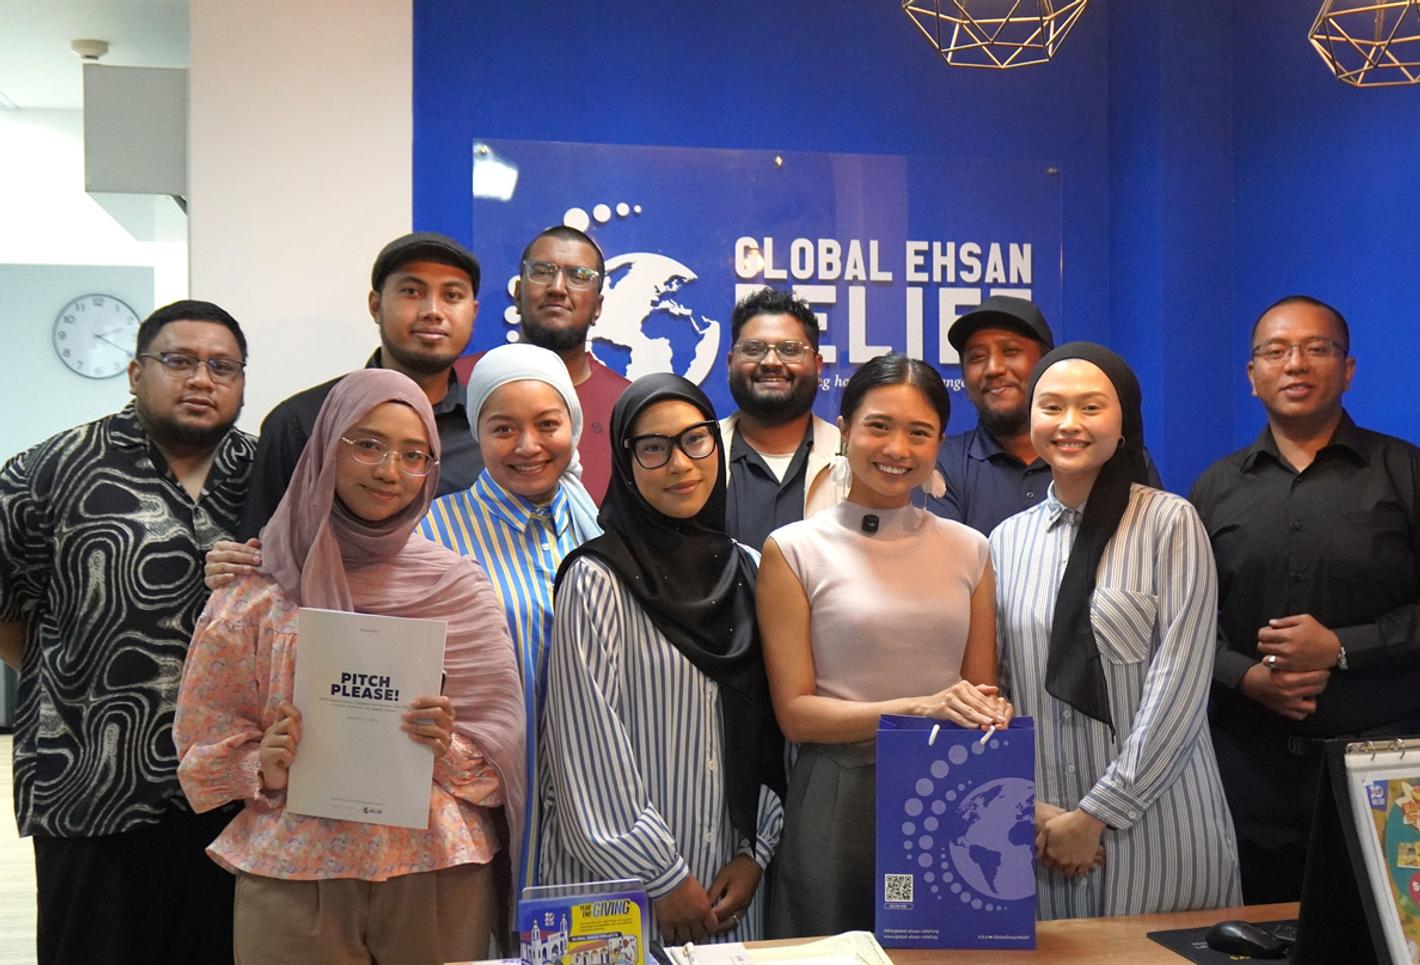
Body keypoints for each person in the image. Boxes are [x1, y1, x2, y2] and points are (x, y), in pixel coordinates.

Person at [174, 369, 525, 964]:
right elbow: (202, 749)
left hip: (435, 872)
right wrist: (266, 762)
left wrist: (443, 745)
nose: (390, 471)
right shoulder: (256, 587)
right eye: (367, 444)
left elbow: (501, 753)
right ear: (326, 447)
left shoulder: (457, 587)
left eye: (414, 455)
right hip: (293, 873)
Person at [0, 300, 254, 963]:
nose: (201, 378)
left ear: (242, 382)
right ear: (137, 372)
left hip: (231, 791)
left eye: (222, 366)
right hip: (87, 780)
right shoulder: (47, 472)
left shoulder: (265, 477)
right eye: (180, 360)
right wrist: (65, 675)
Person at [757, 353, 1010, 937]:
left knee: (940, 951)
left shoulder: (970, 549)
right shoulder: (793, 549)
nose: (897, 448)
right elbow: (796, 715)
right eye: (878, 426)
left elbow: (978, 692)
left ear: (939, 443)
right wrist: (918, 708)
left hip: (948, 791)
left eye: (919, 433)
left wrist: (990, 713)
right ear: (844, 429)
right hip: (837, 792)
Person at [991, 342, 1240, 920]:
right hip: (1043, 833)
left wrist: (1097, 813)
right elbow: (1001, 688)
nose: (1070, 424)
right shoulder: (1005, 541)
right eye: (1051, 407)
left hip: (1159, 824)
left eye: (1091, 407)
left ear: (1123, 419)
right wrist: (1033, 812)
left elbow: (1180, 683)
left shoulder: (1169, 524)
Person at [538, 374, 785, 943]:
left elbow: (774, 735)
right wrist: (663, 877)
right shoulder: (596, 579)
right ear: (625, 463)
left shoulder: (751, 570)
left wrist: (756, 854)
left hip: (728, 886)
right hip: (614, 891)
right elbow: (585, 748)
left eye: (695, 439)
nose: (680, 464)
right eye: (653, 447)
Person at [1191, 295, 1420, 903]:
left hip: (1386, 766)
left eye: (1317, 349)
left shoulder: (1406, 473)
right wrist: (1246, 678)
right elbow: (1180, 623)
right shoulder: (1212, 490)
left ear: (1347, 369)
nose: (1296, 364)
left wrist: (1343, 646)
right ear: (1252, 376)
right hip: (1245, 773)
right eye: (1277, 351)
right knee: (1257, 937)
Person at [419, 342, 602, 892]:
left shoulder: (601, 526)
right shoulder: (432, 532)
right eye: (503, 429)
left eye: (548, 424)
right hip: (481, 795)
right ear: (477, 433)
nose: (527, 446)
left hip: (591, 793)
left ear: (572, 423)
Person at [238, 231, 484, 538]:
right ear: (375, 306)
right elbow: (259, 557)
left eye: (452, 296)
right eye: (411, 291)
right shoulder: (302, 422)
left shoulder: (486, 431)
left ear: (473, 312)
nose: (432, 311)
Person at [923, 296, 1159, 534]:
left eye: (1010, 351)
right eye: (977, 358)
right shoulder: (942, 461)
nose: (993, 368)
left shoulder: (1113, 454)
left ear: (1048, 366)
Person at [456, 225, 629, 503]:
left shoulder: (627, 405)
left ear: (598, 307)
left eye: (579, 276)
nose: (558, 288)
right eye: (542, 271)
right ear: (516, 294)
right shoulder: (459, 383)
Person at [719, 286, 841, 550]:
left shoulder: (854, 458)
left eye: (789, 349)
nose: (771, 361)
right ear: (730, 364)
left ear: (818, 366)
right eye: (753, 349)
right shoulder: (699, 454)